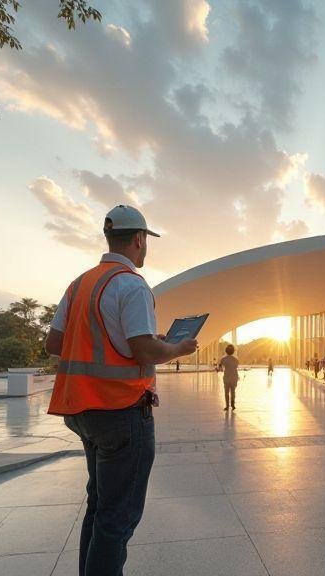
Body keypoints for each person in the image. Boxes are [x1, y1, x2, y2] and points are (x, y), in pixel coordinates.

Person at [44, 205, 198, 576]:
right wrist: (177, 348)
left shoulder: (80, 284)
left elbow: (53, 343)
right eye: (146, 242)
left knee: (99, 508)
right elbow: (144, 351)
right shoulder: (132, 284)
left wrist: (127, 342)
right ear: (139, 240)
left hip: (81, 410)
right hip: (121, 410)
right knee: (117, 518)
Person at [219, 345, 240, 411]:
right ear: (233, 351)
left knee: (226, 392)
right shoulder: (236, 359)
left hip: (227, 378)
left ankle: (227, 406)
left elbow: (220, 368)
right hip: (234, 377)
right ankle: (233, 405)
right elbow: (236, 366)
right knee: (233, 392)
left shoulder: (223, 359)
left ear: (226, 351)